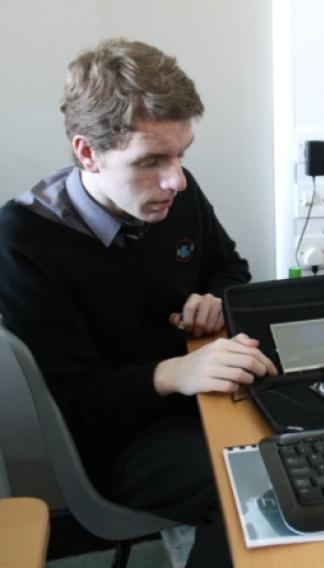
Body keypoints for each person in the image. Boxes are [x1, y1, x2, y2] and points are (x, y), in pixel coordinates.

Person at [0, 39, 277, 565]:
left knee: (316, 441)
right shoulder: (23, 240)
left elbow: (229, 267)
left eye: (181, 155)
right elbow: (77, 403)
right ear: (87, 153)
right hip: (121, 440)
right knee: (254, 490)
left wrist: (216, 298)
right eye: (150, 161)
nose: (175, 179)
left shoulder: (174, 190)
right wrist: (174, 372)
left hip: (203, 398)